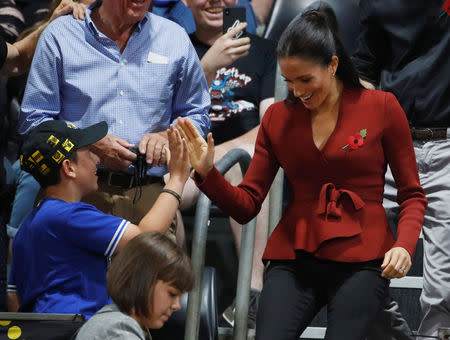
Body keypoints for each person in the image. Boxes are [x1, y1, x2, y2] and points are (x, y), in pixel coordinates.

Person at [176, 9, 428, 340]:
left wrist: (405, 245)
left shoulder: (381, 107)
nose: (296, 92)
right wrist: (207, 174)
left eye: (305, 80)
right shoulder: (278, 118)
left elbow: (412, 196)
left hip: (362, 256)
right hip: (294, 255)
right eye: (288, 81)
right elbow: (247, 204)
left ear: (333, 65)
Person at [18, 0, 211, 242]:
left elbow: (198, 114)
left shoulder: (174, 38)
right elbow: (34, 122)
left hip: (148, 191)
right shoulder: (62, 35)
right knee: (74, 279)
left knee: (152, 279)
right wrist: (89, 143)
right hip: (75, 193)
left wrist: (167, 137)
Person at [7, 120, 190, 318]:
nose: (97, 159)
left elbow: (13, 294)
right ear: (69, 168)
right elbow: (144, 238)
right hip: (78, 328)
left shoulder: (29, 223)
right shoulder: (69, 216)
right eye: (89, 151)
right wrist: (177, 179)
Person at [353, 0, 450, 338]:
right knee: (359, 269)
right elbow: (364, 70)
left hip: (447, 147)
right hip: (389, 143)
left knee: (444, 291)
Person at [177, 0, 275, 328]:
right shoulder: (175, 47)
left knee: (242, 164)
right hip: (184, 165)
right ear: (186, 2)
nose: (216, 1)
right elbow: (163, 123)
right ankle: (179, 295)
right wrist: (205, 66)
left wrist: (210, 154)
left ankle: (252, 296)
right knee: (160, 190)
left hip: (237, 162)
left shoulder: (264, 50)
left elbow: (272, 127)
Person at [75, 231, 194, 339]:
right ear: (142, 280)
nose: (177, 306)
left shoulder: (109, 321)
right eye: (172, 294)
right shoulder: (120, 330)